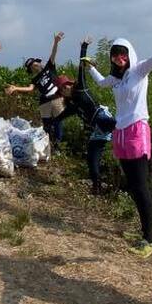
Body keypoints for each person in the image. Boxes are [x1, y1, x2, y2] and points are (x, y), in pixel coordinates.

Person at [82, 8, 152, 258]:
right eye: (115, 55)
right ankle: (145, 232)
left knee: (141, 187)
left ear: (129, 55)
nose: (119, 58)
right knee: (133, 186)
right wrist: (89, 66)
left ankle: (150, 240)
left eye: (122, 54)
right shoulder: (117, 79)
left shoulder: (140, 70)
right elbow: (100, 83)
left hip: (137, 131)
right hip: (120, 134)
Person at [57, 37, 117, 196]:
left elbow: (81, 68)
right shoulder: (71, 105)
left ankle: (130, 128)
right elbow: (62, 116)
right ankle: (97, 186)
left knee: (118, 125)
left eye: (67, 85)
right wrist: (50, 123)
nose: (66, 88)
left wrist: (83, 47)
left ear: (71, 84)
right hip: (96, 130)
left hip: (103, 119)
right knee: (91, 158)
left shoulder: (81, 89)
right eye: (62, 88)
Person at [4, 32, 66, 143]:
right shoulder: (35, 79)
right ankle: (47, 145)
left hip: (57, 98)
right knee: (47, 126)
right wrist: (16, 88)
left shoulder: (49, 67)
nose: (34, 66)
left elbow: (53, 53)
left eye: (34, 63)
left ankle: (58, 145)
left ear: (38, 62)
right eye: (31, 66)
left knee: (58, 123)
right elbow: (30, 88)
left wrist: (56, 42)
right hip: (44, 102)